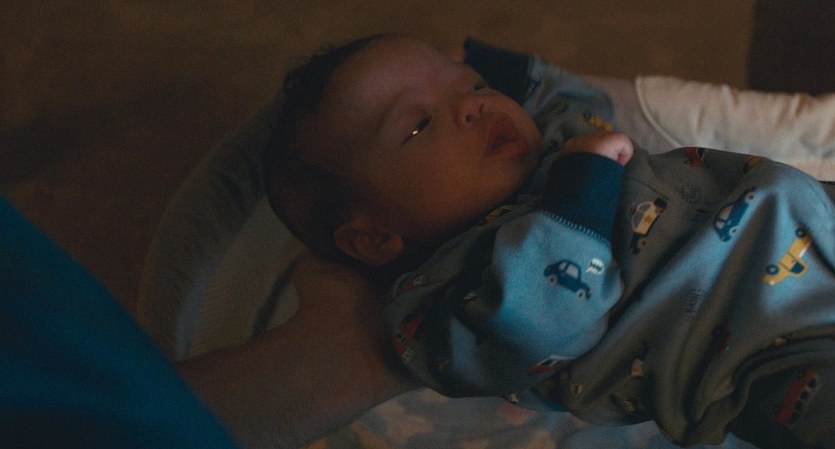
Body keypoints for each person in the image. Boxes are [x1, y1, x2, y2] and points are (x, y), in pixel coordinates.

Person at [265, 34, 835, 448]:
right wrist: (579, 189)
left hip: (814, 216)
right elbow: (541, 320)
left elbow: (580, 101)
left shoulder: (554, 143)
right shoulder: (441, 300)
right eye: (419, 125)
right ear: (373, 237)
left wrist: (502, 66)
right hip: (765, 355)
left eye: (473, 86)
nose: (471, 106)